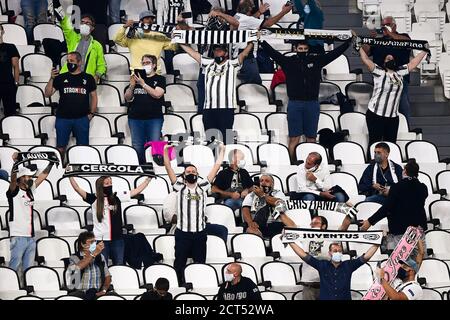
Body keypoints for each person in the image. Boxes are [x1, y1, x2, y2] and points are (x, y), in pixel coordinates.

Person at [260, 38, 352, 161]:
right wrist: (262, 41)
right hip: (295, 104)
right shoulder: (288, 62)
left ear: (308, 50)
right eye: (300, 49)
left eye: (305, 49)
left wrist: (348, 43)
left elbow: (333, 54)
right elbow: (272, 53)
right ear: (295, 49)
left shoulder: (316, 60)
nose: (302, 51)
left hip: (312, 104)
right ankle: (292, 163)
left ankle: (312, 163)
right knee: (294, 138)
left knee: (311, 137)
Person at [163, 142, 226, 282]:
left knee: (200, 264)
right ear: (184, 175)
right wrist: (165, 151)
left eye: (193, 172)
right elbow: (168, 167)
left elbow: (217, 166)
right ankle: (179, 286)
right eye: (188, 172)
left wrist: (222, 150)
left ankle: (199, 284)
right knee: (179, 263)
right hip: (182, 233)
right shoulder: (179, 186)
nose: (191, 173)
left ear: (197, 174)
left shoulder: (204, 186)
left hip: (200, 233)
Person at [69, 175, 152, 265]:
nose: (110, 185)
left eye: (111, 183)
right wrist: (69, 176)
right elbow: (77, 188)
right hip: (100, 240)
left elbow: (136, 191)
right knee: (102, 267)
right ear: (101, 186)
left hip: (117, 239)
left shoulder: (117, 197)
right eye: (107, 183)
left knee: (119, 266)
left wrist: (148, 179)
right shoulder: (93, 199)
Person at [179, 41, 254, 141]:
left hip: (226, 108)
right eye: (216, 50)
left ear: (226, 53)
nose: (217, 52)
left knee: (227, 139)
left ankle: (225, 156)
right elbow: (192, 53)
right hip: (209, 108)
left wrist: (252, 42)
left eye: (220, 50)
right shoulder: (207, 63)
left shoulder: (232, 64)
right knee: (210, 139)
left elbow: (244, 54)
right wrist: (179, 42)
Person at [359, 46, 427, 147]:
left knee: (391, 146)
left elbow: (413, 63)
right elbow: (365, 59)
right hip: (376, 115)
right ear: (384, 62)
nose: (390, 59)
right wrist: (359, 46)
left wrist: (425, 50)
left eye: (392, 58)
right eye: (388, 58)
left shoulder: (400, 72)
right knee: (374, 144)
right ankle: (373, 162)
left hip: (393, 117)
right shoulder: (379, 71)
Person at [361, 159, 428, 257]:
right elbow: (410, 198)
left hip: (401, 231)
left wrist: (370, 221)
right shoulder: (423, 188)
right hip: (419, 232)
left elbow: (386, 208)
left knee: (402, 264)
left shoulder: (397, 188)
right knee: (419, 263)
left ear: (404, 171)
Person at [7, 153, 55, 276]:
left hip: (30, 237)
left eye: (30, 176)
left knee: (28, 270)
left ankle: (26, 291)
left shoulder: (30, 190)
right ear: (20, 178)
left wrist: (51, 163)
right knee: (14, 267)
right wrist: (15, 164)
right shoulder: (14, 191)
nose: (30, 178)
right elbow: (13, 178)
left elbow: (42, 177)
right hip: (18, 236)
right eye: (27, 176)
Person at [44, 51, 97, 161]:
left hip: (82, 118)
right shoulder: (60, 78)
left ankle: (81, 168)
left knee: (83, 148)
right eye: (68, 61)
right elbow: (47, 93)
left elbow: (94, 97)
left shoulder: (88, 78)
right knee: (60, 148)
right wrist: (52, 78)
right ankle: (59, 168)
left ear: (80, 62)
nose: (69, 63)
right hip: (63, 118)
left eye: (72, 61)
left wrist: (91, 113)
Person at [288, 241, 379, 300]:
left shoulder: (348, 265)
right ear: (329, 253)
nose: (338, 253)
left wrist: (377, 243)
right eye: (335, 250)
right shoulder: (322, 265)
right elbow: (304, 256)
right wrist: (290, 241)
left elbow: (366, 257)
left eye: (340, 251)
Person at [363, 16, 413, 121]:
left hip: (400, 77)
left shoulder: (402, 36)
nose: (384, 27)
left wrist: (390, 34)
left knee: (403, 105)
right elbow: (366, 52)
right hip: (381, 78)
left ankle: (406, 129)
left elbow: (408, 43)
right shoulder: (378, 41)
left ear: (395, 26)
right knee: (380, 106)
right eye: (383, 25)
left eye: (388, 25)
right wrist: (371, 40)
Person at [234, 0, 293, 84]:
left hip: (242, 55)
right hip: (247, 58)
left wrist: (259, 12)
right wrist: (283, 12)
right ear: (250, 8)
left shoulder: (238, 16)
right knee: (254, 86)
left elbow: (250, 20)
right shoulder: (246, 19)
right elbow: (268, 24)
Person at [124, 54, 165, 164]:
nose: (144, 65)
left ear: (154, 65)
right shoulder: (136, 79)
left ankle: (156, 166)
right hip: (135, 118)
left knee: (155, 143)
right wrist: (132, 86)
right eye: (143, 63)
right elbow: (128, 98)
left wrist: (143, 84)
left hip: (154, 118)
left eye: (147, 63)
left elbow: (157, 94)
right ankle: (141, 167)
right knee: (137, 145)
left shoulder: (160, 79)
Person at [197, 7, 239, 113]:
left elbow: (236, 23)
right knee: (202, 88)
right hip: (208, 64)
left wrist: (220, 14)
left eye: (216, 14)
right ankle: (202, 114)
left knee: (222, 91)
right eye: (213, 13)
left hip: (224, 65)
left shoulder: (228, 27)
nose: (214, 16)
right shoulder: (208, 27)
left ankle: (223, 113)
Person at [113, 10, 178, 73]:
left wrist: (175, 37)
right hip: (137, 73)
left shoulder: (160, 36)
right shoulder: (133, 36)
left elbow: (173, 47)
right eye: (147, 18)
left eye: (152, 19)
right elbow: (117, 40)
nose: (150, 21)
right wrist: (124, 27)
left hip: (155, 73)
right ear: (140, 21)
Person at [242, 174, 294, 239]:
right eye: (261, 181)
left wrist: (262, 195)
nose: (263, 182)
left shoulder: (278, 193)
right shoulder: (251, 194)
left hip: (274, 224)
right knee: (251, 230)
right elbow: (245, 209)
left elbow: (280, 203)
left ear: (272, 184)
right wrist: (250, 223)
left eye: (267, 181)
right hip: (255, 224)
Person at [60, 12, 106, 82]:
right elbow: (66, 25)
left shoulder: (97, 45)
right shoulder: (72, 38)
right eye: (82, 22)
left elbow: (102, 65)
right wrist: (60, 12)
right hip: (68, 77)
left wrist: (97, 75)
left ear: (92, 28)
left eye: (88, 23)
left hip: (86, 80)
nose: (84, 24)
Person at [67, 231, 112, 300]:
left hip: (98, 292)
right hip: (81, 292)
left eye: (95, 241)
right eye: (91, 242)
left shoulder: (100, 257)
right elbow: (78, 267)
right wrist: (93, 254)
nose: (94, 244)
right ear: (83, 244)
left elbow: (108, 276)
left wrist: (104, 290)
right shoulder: (74, 257)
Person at [0, 24, 20, 117]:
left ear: (3, 31)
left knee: (10, 112)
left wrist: (16, 83)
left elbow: (16, 66)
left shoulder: (10, 47)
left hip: (8, 83)